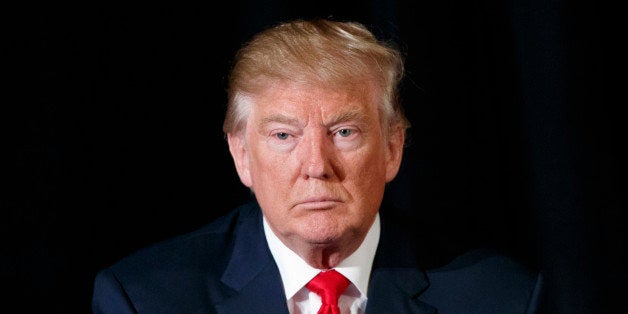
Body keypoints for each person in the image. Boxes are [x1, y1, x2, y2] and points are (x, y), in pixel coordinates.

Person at [92, 18, 545, 313]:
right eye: (284, 136)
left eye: (343, 133)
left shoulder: (500, 297)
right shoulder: (147, 299)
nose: (316, 166)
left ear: (393, 148)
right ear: (242, 156)